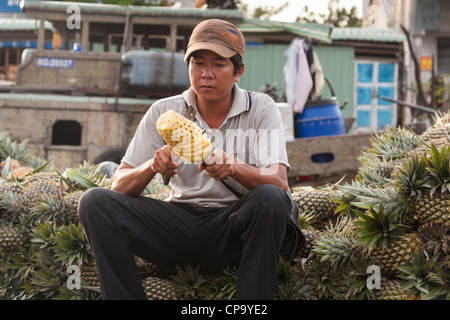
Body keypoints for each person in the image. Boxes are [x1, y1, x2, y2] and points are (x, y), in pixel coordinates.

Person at [78, 18, 303, 300]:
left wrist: (232, 166)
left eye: (218, 64)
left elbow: (278, 180)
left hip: (231, 231)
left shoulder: (260, 108)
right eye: (197, 63)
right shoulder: (164, 110)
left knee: (271, 198)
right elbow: (119, 185)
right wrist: (151, 166)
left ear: (238, 71)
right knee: (94, 202)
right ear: (188, 67)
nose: (206, 73)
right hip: (176, 228)